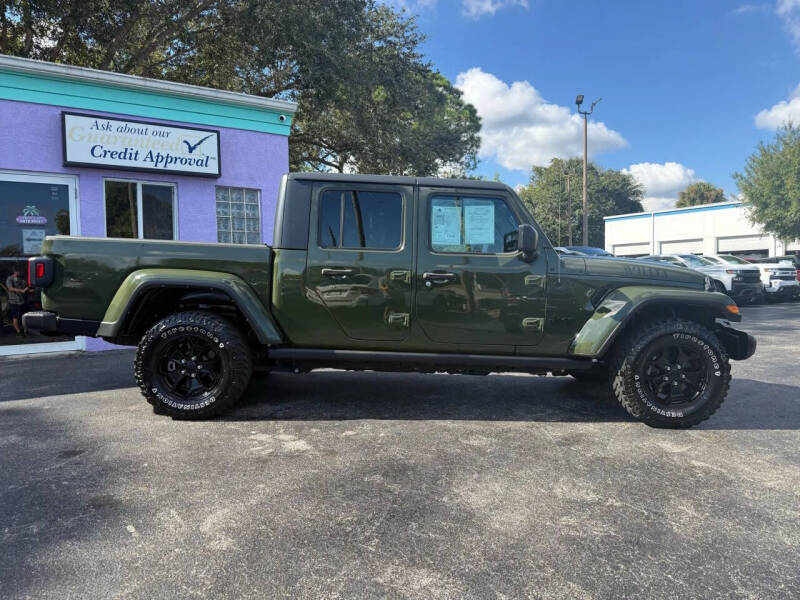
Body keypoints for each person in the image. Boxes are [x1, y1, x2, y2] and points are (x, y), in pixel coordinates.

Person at [6, 264, 29, 337]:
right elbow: (10, 288)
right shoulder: (10, 278)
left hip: (21, 301)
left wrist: (28, 289)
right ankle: (18, 331)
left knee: (22, 315)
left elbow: (25, 288)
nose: (20, 273)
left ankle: (24, 329)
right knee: (15, 316)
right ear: (15, 272)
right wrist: (21, 290)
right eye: (18, 271)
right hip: (13, 301)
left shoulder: (22, 279)